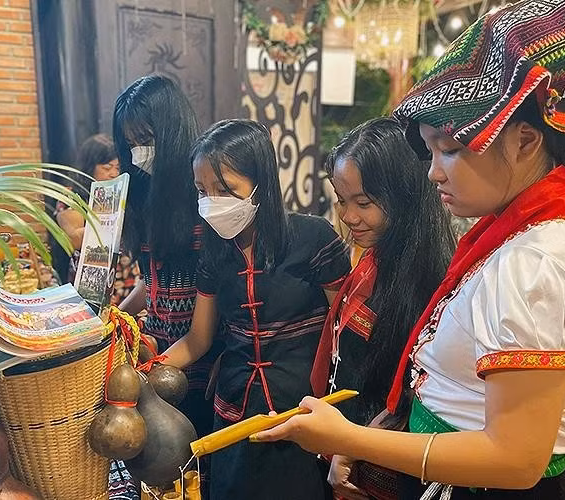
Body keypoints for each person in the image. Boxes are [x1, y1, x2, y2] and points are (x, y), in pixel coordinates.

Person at [254, 1, 565, 499]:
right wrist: (368, 440)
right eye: (430, 150)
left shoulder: (540, 263)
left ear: (524, 141)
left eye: (450, 148)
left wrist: (350, 436)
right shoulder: (513, 238)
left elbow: (515, 458)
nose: (434, 171)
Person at [162, 119, 351, 500]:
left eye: (225, 189)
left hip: (303, 415)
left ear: (261, 183)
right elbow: (198, 340)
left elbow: (344, 335)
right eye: (203, 191)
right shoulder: (214, 252)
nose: (212, 202)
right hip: (232, 416)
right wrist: (147, 366)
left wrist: (351, 428)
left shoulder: (313, 239)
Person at [312, 117, 455, 500]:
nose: (348, 216)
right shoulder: (374, 258)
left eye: (363, 203)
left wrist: (354, 446)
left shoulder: (429, 278)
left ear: (405, 196)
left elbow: (412, 393)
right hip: (348, 444)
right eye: (342, 200)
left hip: (382, 463)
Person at [112, 75, 219, 487]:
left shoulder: (204, 197)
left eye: (147, 139)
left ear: (172, 132)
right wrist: (115, 317)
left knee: (191, 473)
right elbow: (152, 283)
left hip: (197, 363)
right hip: (157, 355)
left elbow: (219, 296)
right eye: (131, 143)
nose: (139, 153)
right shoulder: (142, 196)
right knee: (154, 475)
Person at [54, 133, 141, 304]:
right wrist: (113, 222)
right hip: (91, 280)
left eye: (118, 168)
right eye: (107, 167)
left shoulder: (126, 193)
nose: (113, 174)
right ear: (89, 166)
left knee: (128, 324)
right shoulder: (73, 195)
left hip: (127, 277)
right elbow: (74, 239)